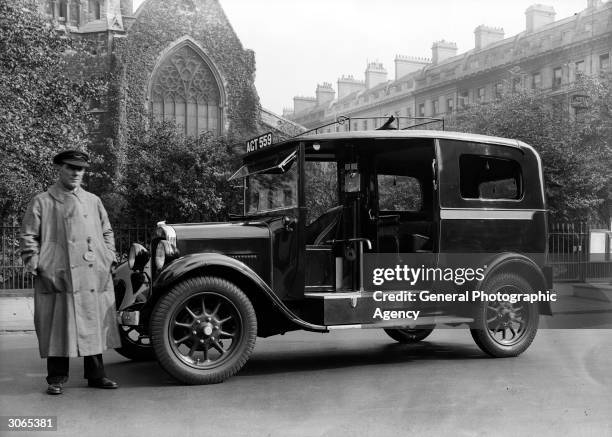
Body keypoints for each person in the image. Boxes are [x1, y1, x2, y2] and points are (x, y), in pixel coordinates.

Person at [19, 150, 121, 395]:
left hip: (92, 272)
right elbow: (28, 236)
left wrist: (107, 256)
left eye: (81, 169)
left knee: (92, 321)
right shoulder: (42, 201)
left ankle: (97, 375)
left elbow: (107, 231)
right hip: (58, 270)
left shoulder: (93, 200)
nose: (76, 172)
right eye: (71, 167)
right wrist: (36, 263)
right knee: (57, 324)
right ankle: (56, 377)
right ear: (59, 169)